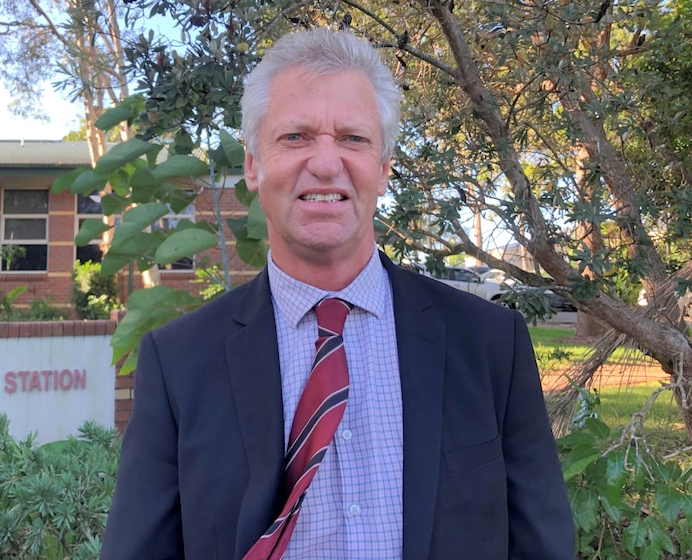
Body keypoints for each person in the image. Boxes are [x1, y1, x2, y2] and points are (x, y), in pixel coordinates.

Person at [100, 28, 574, 560]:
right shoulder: (179, 361)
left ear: (384, 167)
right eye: (295, 137)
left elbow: (543, 543)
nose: (326, 163)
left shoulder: (490, 345)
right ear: (253, 166)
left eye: (352, 138)